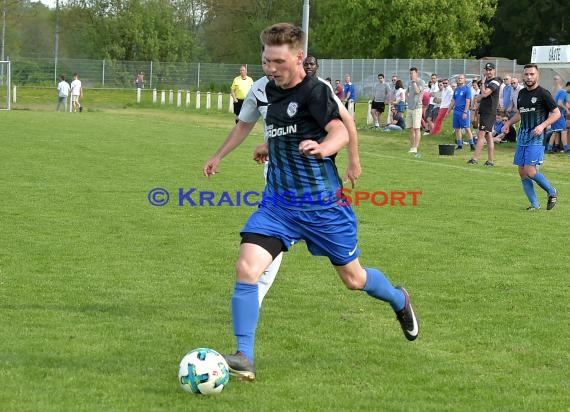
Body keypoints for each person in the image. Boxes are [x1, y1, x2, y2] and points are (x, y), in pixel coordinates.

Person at [203, 23, 419, 382]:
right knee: (246, 268)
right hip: (279, 205)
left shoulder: (316, 91)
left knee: (354, 279)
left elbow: (339, 127)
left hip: (323, 207)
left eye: (278, 61)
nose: (270, 68)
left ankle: (399, 299)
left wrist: (328, 149)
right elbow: (280, 130)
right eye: (265, 60)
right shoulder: (267, 91)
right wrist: (250, 149)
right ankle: (244, 355)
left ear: (299, 56)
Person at [502, 63, 560, 210]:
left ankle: (552, 191)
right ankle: (534, 205)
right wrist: (509, 123)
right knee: (522, 172)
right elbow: (520, 113)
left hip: (536, 137)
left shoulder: (543, 93)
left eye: (532, 74)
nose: (529, 77)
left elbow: (556, 113)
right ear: (523, 75)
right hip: (522, 136)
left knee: (530, 170)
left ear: (537, 75)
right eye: (526, 74)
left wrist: (542, 126)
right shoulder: (521, 94)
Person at [467, 62, 501, 166]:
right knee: (488, 136)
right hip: (484, 110)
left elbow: (485, 93)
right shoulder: (486, 81)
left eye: (490, 70)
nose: (488, 72)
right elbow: (479, 97)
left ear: (494, 70)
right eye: (487, 70)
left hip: (489, 111)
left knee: (481, 134)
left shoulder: (496, 81)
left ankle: (475, 159)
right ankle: (490, 161)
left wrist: (482, 85)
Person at [447, 74, 475, 150]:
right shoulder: (456, 90)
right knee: (457, 128)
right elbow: (453, 101)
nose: (460, 79)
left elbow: (468, 101)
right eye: (459, 78)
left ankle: (472, 144)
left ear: (464, 80)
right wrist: (448, 111)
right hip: (456, 112)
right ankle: (459, 145)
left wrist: (465, 112)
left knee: (467, 128)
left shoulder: (467, 89)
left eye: (461, 78)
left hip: (463, 112)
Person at [406, 67, 426, 153]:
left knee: (416, 128)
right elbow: (406, 93)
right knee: (410, 128)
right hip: (409, 108)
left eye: (412, 73)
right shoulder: (409, 82)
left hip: (417, 107)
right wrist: (408, 101)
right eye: (410, 73)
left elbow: (418, 91)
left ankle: (415, 147)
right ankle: (412, 146)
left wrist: (414, 82)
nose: (411, 75)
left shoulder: (421, 82)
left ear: (416, 74)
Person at [546, 80, 569, 153]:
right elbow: (559, 103)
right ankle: (566, 149)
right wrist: (567, 110)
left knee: (555, 131)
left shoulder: (560, 91)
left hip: (554, 114)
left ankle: (550, 148)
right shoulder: (563, 92)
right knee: (564, 130)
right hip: (558, 114)